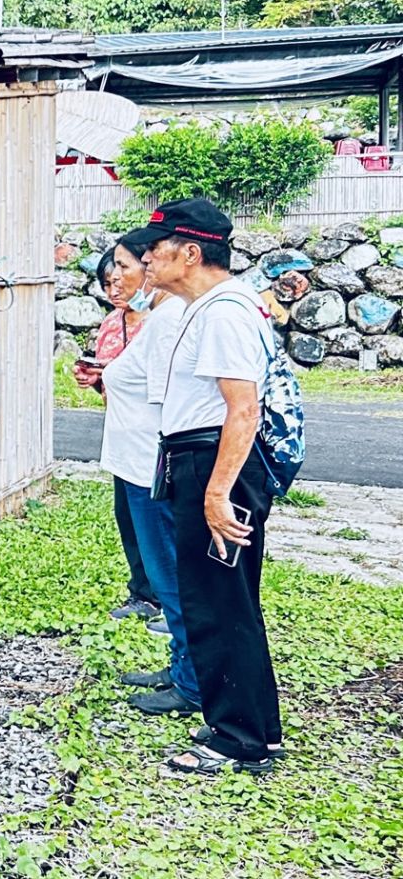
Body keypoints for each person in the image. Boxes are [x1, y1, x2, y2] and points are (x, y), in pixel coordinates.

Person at [134, 198, 283, 776]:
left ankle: (237, 740)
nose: (147, 257)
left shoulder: (224, 310)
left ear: (190, 252)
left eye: (157, 246)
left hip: (213, 462)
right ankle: (251, 727)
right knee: (223, 602)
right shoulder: (209, 306)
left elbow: (241, 411)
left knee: (218, 603)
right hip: (196, 459)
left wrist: (217, 493)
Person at [78, 235, 200, 718]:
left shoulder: (169, 318)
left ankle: (191, 681)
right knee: (162, 573)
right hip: (133, 463)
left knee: (170, 576)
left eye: (131, 265)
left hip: (152, 465)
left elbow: (166, 392)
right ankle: (180, 666)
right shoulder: (158, 317)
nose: (129, 274)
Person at [76, 247, 161, 622]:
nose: (115, 287)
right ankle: (142, 592)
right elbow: (112, 380)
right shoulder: (111, 323)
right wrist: (96, 378)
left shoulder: (162, 320)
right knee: (128, 516)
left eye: (121, 275)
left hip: (157, 434)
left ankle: (168, 599)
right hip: (122, 431)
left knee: (159, 518)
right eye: (108, 282)